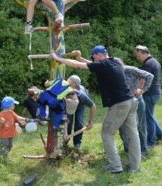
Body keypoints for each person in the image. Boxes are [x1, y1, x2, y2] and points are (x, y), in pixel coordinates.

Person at [51, 46, 141, 174]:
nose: (93, 59)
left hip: (120, 104)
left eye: (93, 57)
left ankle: (115, 166)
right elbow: (92, 65)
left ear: (99, 55)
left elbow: (77, 65)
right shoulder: (116, 61)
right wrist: (79, 57)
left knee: (107, 133)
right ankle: (135, 167)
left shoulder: (103, 64)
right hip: (131, 102)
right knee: (133, 135)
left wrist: (57, 58)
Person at [115, 58, 154, 159]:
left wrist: (141, 90)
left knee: (140, 126)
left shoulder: (129, 69)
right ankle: (128, 149)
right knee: (122, 127)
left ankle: (143, 150)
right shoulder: (114, 73)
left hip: (137, 101)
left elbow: (149, 76)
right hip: (122, 103)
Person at [135, 45, 162, 147]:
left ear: (145, 53)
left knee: (148, 118)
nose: (138, 58)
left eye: (139, 56)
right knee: (150, 115)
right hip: (155, 92)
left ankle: (151, 141)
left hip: (150, 94)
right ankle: (160, 135)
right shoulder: (154, 61)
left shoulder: (148, 64)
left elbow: (143, 79)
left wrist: (139, 90)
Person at [66, 75, 97, 149]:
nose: (67, 83)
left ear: (75, 85)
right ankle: (65, 142)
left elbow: (93, 106)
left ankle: (77, 144)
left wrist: (90, 122)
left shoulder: (81, 95)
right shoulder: (66, 87)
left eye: (69, 83)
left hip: (80, 105)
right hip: (70, 104)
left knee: (79, 122)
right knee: (68, 122)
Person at [0, 96, 27, 161]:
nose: (14, 105)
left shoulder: (11, 112)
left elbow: (18, 117)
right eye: (13, 104)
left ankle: (6, 156)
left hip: (11, 133)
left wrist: (26, 119)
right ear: (8, 105)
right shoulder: (0, 115)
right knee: (5, 146)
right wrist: (1, 123)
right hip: (4, 135)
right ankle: (5, 159)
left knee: (10, 146)